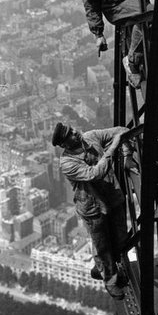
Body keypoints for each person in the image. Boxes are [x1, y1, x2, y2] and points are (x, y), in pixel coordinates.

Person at [51, 122, 129, 299]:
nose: (75, 132)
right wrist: (114, 147)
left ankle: (102, 267)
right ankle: (110, 281)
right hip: (93, 208)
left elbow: (122, 131)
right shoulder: (67, 163)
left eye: (72, 129)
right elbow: (94, 173)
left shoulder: (91, 136)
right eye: (70, 134)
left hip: (112, 196)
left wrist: (127, 153)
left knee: (120, 237)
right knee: (102, 246)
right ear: (64, 145)